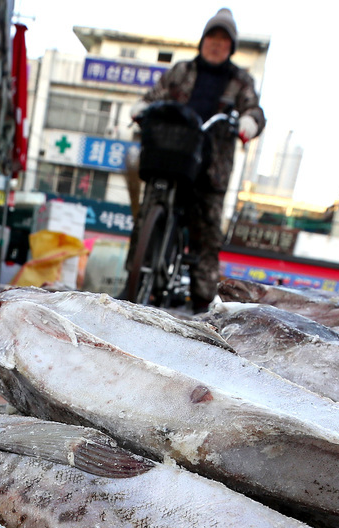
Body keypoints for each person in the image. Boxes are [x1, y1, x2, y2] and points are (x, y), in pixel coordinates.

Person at [127, 8, 265, 312]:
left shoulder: (240, 81)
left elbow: (254, 110)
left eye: (223, 40)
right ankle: (133, 280)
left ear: (231, 47)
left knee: (207, 234)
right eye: (211, 37)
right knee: (146, 213)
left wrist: (248, 123)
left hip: (211, 168)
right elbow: (154, 95)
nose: (216, 44)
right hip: (172, 155)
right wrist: (140, 107)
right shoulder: (180, 71)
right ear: (202, 41)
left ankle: (202, 303)